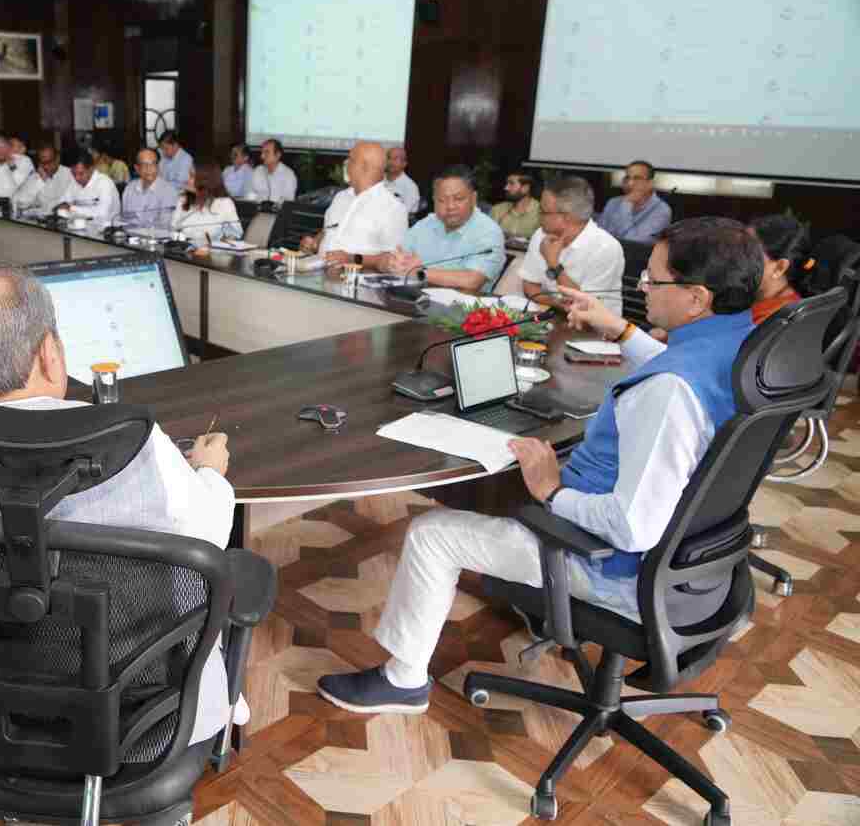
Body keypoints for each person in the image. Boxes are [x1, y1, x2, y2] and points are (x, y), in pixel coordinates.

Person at [317, 217, 763, 714]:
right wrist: (620, 330)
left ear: (697, 298)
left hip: (617, 571)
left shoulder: (667, 393)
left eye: (653, 280)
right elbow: (672, 366)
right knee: (533, 470)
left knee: (431, 534)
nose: (643, 288)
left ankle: (402, 682)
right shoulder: (744, 350)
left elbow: (632, 527)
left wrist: (552, 492)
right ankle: (536, 604)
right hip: (695, 566)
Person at [0, 266, 243, 745]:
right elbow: (207, 540)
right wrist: (210, 473)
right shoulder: (142, 450)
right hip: (140, 717)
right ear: (49, 354)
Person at [379, 165, 505, 294]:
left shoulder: (489, 231)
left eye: (458, 199)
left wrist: (419, 273)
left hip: (461, 304)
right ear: (434, 200)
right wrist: (392, 263)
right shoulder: (427, 224)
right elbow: (394, 255)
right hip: (415, 299)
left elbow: (472, 280)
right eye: (441, 200)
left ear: (473, 199)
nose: (450, 206)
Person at [520, 176, 625, 314]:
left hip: (594, 325)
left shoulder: (606, 248)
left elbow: (586, 308)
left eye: (543, 211)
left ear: (566, 217)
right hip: (554, 314)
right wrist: (557, 303)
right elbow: (529, 286)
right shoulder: (541, 234)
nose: (538, 215)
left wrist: (553, 265)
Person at [299, 142, 407, 268]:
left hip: (356, 277)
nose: (345, 164)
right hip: (318, 272)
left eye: (350, 159)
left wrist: (352, 259)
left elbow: (393, 260)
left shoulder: (393, 208)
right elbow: (328, 230)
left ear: (364, 167)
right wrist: (314, 243)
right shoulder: (341, 197)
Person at [598, 160, 672, 244]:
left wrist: (626, 206)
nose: (630, 183)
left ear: (650, 183)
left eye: (637, 178)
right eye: (627, 178)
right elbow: (599, 236)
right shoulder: (613, 202)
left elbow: (633, 244)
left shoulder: (662, 210)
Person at [171, 164, 241, 245]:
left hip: (213, 251)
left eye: (192, 176)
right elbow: (173, 227)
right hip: (183, 249)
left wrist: (222, 242)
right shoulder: (183, 199)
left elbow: (236, 234)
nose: (187, 180)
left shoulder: (224, 203)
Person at [56, 149, 121, 226]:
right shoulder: (73, 182)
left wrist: (71, 208)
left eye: (81, 173)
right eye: (74, 173)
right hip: (80, 226)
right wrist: (62, 206)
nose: (77, 178)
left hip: (106, 228)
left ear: (91, 168)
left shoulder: (104, 183)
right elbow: (62, 203)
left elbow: (102, 213)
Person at [121, 148, 178, 226]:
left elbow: (165, 226)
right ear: (137, 168)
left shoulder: (168, 191)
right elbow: (124, 219)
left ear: (158, 166)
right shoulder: (129, 189)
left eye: (153, 164)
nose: (149, 168)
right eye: (144, 164)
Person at [12, 145, 73, 212]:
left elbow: (76, 200)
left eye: (49, 162)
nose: (46, 166)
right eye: (42, 163)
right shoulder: (36, 176)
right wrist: (40, 181)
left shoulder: (71, 174)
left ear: (57, 159)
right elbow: (19, 203)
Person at [490, 171, 541, 241]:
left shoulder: (540, 212)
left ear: (525, 188)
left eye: (511, 184)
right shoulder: (497, 210)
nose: (506, 188)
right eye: (507, 184)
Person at [382, 147, 420, 213]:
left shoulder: (410, 187)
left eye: (395, 159)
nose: (390, 162)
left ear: (404, 164)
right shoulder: (377, 180)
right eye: (389, 158)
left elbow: (404, 213)